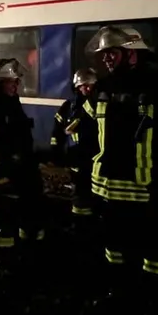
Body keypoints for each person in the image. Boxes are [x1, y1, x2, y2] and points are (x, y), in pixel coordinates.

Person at [80, 26, 158, 315]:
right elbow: (87, 132)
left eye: (111, 53)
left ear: (132, 54)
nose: (106, 59)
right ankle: (123, 299)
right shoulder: (102, 88)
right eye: (103, 55)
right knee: (115, 251)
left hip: (150, 191)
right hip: (108, 193)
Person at [0, 58, 44, 270]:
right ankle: (3, 265)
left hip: (21, 176)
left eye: (17, 80)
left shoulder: (11, 102)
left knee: (26, 220)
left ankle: (25, 258)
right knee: (4, 226)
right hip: (5, 180)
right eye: (12, 81)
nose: (17, 84)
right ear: (0, 82)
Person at [49, 69, 99, 221]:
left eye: (91, 86)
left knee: (93, 198)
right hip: (76, 161)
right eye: (85, 86)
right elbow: (57, 130)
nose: (88, 89)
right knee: (80, 197)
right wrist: (56, 151)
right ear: (77, 87)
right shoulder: (68, 107)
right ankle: (80, 223)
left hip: (93, 161)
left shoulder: (97, 106)